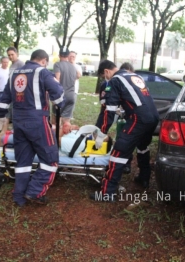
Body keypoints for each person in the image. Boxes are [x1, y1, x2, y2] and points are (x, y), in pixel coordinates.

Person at [0, 49, 65, 207]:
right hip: (37, 121)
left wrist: (0, 114)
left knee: (23, 160)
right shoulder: (42, 72)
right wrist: (60, 103)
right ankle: (34, 191)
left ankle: (18, 197)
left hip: (18, 122)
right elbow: (58, 93)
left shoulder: (14, 73)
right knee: (51, 159)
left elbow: (4, 98)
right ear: (44, 60)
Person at [91, 60, 159, 202]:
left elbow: (109, 112)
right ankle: (144, 178)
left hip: (138, 119)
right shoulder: (134, 76)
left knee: (119, 152)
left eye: (104, 77)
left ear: (106, 72)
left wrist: (100, 133)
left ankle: (107, 192)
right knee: (142, 147)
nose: (106, 79)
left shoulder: (115, 81)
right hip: (153, 117)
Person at [53, 46, 78, 126]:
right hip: (71, 96)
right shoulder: (73, 67)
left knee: (55, 122)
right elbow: (74, 79)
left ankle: (56, 138)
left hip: (61, 97)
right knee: (66, 123)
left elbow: (57, 79)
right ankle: (67, 137)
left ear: (59, 55)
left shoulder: (57, 65)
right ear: (68, 56)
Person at [3, 47, 25, 132]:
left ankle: (15, 130)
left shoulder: (21, 64)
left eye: (12, 54)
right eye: (9, 55)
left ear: (17, 54)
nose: (10, 56)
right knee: (10, 111)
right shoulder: (11, 65)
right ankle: (9, 130)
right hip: (11, 93)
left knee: (15, 112)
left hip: (18, 93)